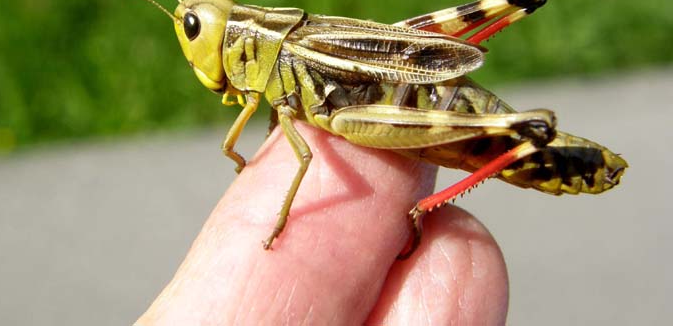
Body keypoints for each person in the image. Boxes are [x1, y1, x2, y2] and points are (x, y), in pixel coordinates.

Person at [136, 122, 508, 325]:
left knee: (505, 140)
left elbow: (302, 158)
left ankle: (519, 139)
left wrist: (280, 222)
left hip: (405, 111)